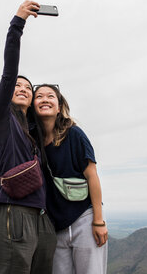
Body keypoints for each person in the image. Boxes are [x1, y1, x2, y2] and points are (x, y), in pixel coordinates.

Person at [0, 1, 56, 274]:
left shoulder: (32, 132)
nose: (23, 88)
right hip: (13, 214)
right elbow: (8, 72)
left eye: (28, 87)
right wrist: (18, 24)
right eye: (18, 86)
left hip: (41, 218)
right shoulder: (2, 117)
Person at [33, 84, 108, 274]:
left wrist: (98, 221)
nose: (44, 100)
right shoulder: (33, 142)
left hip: (84, 218)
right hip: (55, 226)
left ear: (59, 107)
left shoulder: (75, 134)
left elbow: (92, 176)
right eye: (39, 96)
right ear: (33, 106)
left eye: (50, 96)